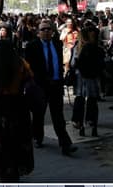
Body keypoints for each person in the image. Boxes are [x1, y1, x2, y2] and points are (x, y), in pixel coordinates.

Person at [25, 20, 77, 156]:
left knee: (58, 116)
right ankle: (37, 137)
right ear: (38, 33)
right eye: (43, 29)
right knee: (38, 114)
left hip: (56, 84)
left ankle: (66, 143)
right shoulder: (32, 46)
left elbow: (61, 62)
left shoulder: (57, 44)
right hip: (40, 86)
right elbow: (29, 67)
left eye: (49, 29)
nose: (46, 31)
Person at [0, 40, 34, 180]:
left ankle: (5, 169)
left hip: (2, 107)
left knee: (3, 142)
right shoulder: (21, 63)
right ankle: (17, 167)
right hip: (19, 106)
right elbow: (30, 77)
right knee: (19, 139)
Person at [72, 25, 105, 137]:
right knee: (92, 100)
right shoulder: (98, 48)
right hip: (92, 77)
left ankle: (79, 123)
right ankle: (91, 122)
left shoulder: (78, 48)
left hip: (81, 76)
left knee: (80, 99)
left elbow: (73, 63)